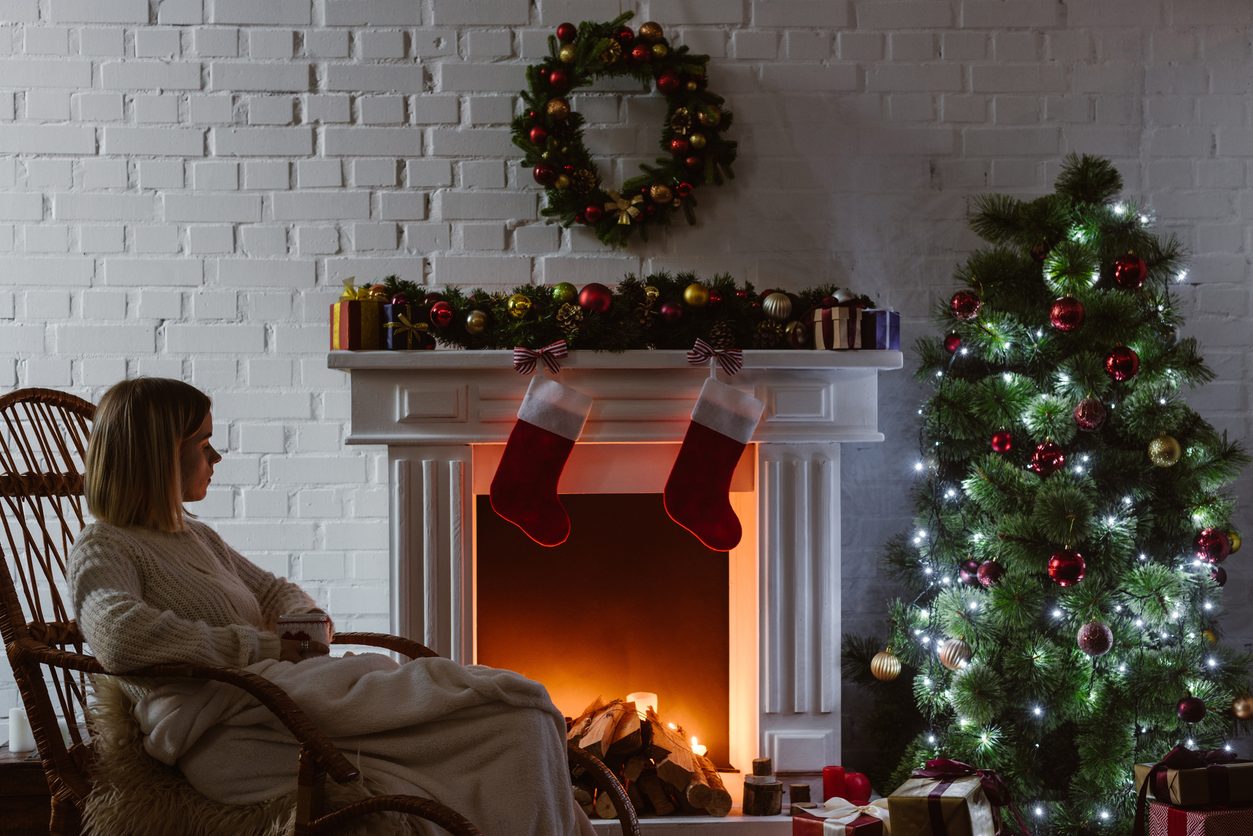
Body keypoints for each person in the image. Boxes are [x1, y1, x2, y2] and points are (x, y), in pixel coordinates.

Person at [69, 377, 595, 835]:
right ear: (161, 453)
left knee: (518, 720)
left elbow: (274, 590)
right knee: (515, 719)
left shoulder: (195, 536)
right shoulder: (106, 545)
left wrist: (305, 624)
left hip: (277, 702)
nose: (217, 457)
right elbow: (118, 634)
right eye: (204, 443)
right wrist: (259, 647)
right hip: (233, 734)